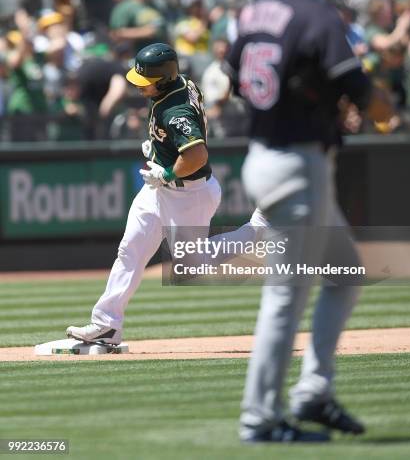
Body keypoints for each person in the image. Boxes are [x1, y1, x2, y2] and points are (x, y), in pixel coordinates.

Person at [224, 0, 395, 444]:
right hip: (297, 165)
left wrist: (320, 102)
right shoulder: (314, 12)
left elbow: (242, 82)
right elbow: (368, 97)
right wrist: (377, 106)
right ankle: (260, 417)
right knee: (285, 295)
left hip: (267, 153)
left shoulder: (249, 11)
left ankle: (313, 392)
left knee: (344, 277)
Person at [66, 42, 267, 345]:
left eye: (147, 81)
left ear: (163, 79)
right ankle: (106, 324)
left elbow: (197, 155)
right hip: (159, 190)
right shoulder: (179, 84)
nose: (140, 87)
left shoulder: (175, 110)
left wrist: (169, 170)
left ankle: (257, 230)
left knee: (191, 266)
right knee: (130, 250)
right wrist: (159, 152)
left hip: (188, 192)